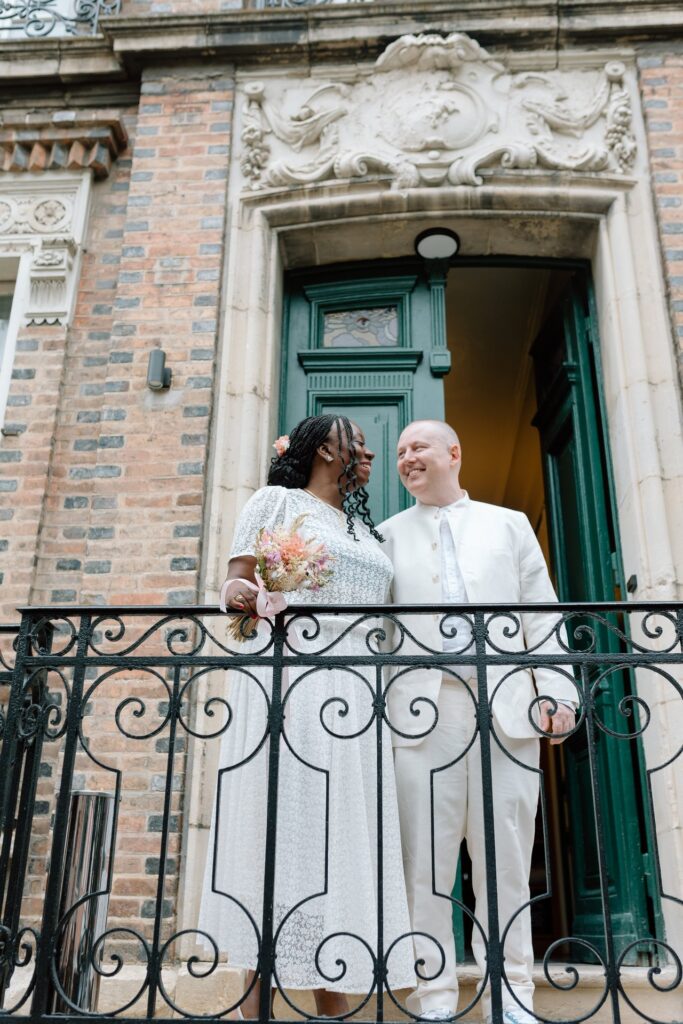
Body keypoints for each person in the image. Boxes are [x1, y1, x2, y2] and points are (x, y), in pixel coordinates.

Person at [198, 414, 414, 1018]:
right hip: (293, 684)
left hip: (358, 693)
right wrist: (246, 597)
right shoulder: (275, 502)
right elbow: (234, 583)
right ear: (324, 449)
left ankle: (331, 990)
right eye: (358, 444)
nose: (369, 454)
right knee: (282, 827)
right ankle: (256, 996)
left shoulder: (364, 529)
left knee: (339, 835)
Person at [379, 420, 577, 1024]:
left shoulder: (509, 524)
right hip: (421, 713)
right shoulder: (385, 536)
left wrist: (557, 691)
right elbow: (375, 635)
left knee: (506, 860)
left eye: (418, 447)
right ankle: (434, 996)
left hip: (507, 710)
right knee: (425, 864)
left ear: (454, 453)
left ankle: (510, 994)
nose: (407, 458)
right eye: (400, 452)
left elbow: (541, 614)